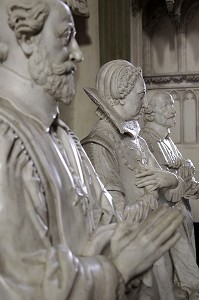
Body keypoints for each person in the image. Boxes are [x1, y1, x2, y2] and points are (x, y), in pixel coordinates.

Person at [0, 1, 183, 299]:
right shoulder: (5, 140)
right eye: (65, 36)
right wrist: (117, 269)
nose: (77, 52)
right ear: (25, 40)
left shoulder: (63, 136)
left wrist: (120, 241)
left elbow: (104, 215)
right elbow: (21, 282)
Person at [82, 60, 185, 299]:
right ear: (120, 95)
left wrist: (167, 179)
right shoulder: (100, 143)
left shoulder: (135, 136)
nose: (144, 103)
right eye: (141, 95)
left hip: (154, 241)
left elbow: (170, 184)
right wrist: (151, 198)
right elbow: (114, 215)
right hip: (133, 252)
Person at [140, 89, 199, 299]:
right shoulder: (147, 140)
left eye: (172, 104)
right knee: (186, 280)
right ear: (150, 113)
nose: (172, 110)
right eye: (165, 105)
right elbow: (164, 188)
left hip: (181, 215)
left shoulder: (166, 139)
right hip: (167, 218)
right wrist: (183, 179)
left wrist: (190, 180)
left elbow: (181, 181)